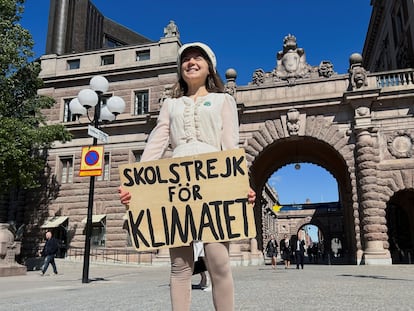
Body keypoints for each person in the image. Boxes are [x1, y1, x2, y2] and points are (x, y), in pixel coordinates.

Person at [119, 42, 256, 310]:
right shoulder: (170, 104)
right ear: (180, 69)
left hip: (214, 183)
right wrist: (135, 183)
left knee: (218, 262)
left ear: (209, 68)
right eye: (186, 59)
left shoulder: (223, 100)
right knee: (180, 266)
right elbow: (156, 144)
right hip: (175, 185)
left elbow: (231, 146)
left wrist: (242, 184)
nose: (191, 62)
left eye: (198, 59)